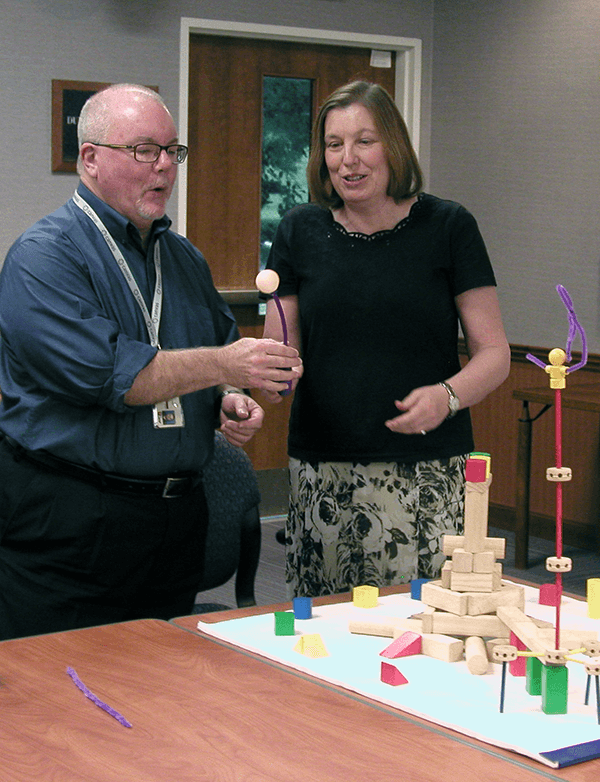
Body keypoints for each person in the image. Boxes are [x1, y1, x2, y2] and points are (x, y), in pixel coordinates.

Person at [0, 84, 302, 640]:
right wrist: (227, 368)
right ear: (90, 159)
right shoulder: (43, 258)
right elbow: (121, 376)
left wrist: (229, 403)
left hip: (174, 519)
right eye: (144, 150)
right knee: (59, 698)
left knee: (162, 692)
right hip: (72, 521)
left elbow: (214, 358)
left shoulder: (183, 258)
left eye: (172, 151)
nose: (163, 166)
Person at [261, 81, 510, 598]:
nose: (347, 160)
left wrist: (446, 397)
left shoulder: (448, 226)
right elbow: (279, 355)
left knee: (423, 631)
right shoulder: (298, 230)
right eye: (334, 145)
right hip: (323, 470)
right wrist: (263, 379)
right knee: (323, 636)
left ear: (392, 146)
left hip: (426, 471)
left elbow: (496, 355)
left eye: (364, 141)